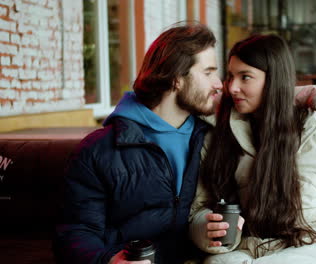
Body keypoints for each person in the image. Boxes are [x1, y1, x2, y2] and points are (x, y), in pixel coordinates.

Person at [189, 34, 316, 263]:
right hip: (246, 252)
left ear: (274, 80)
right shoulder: (218, 134)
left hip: (314, 251)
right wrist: (208, 229)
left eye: (245, 77)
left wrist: (314, 231)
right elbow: (199, 208)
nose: (232, 87)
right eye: (231, 76)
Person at [53, 22, 223, 264]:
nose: (219, 83)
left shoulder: (210, 139)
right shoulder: (98, 150)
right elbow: (75, 234)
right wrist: (108, 260)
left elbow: (261, 96)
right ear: (176, 78)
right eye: (208, 73)